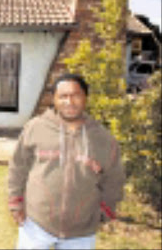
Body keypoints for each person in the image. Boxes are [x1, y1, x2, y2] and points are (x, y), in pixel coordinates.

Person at [8, 73, 126, 249]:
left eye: (76, 95)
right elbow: (18, 166)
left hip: (81, 232)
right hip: (36, 224)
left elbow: (114, 178)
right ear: (54, 99)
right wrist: (15, 201)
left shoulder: (103, 138)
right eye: (63, 96)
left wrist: (106, 210)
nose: (69, 101)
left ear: (85, 98)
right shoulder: (36, 128)